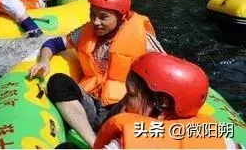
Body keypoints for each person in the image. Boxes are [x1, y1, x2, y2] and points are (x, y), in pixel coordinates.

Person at [27, 0, 163, 147]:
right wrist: (44, 60)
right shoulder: (87, 31)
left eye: (103, 17)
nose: (96, 22)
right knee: (58, 82)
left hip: (121, 105)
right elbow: (53, 43)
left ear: (122, 16)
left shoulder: (143, 39)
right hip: (90, 102)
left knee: (139, 102)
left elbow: (164, 72)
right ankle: (94, 143)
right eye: (93, 14)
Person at [93, 52, 243, 149]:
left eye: (131, 94)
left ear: (162, 102)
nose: (124, 101)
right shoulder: (223, 140)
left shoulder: (124, 143)